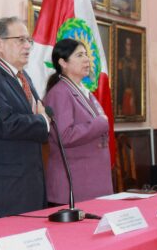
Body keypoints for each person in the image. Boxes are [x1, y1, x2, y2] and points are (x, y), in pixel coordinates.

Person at [0, 17, 49, 217]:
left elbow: (39, 113)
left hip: (31, 179)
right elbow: (5, 124)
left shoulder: (23, 76)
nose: (27, 46)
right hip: (8, 184)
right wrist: (42, 121)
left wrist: (43, 119)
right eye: (20, 40)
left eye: (29, 41)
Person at [44, 38, 112, 205]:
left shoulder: (83, 91)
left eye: (86, 55)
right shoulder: (60, 93)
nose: (87, 59)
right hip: (74, 185)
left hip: (91, 181)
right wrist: (99, 124)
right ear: (63, 62)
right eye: (80, 55)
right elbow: (64, 136)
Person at [117, 36, 138, 116]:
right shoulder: (121, 61)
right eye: (127, 44)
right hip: (123, 94)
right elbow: (120, 81)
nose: (128, 47)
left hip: (132, 94)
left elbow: (135, 81)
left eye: (130, 45)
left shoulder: (133, 61)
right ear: (125, 46)